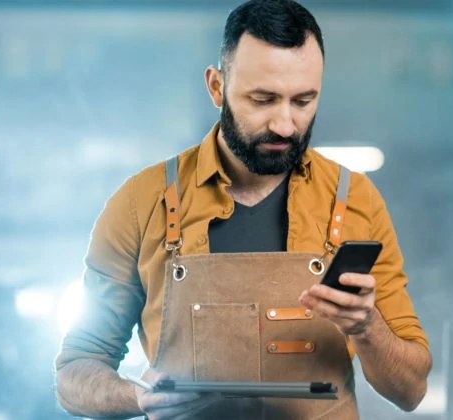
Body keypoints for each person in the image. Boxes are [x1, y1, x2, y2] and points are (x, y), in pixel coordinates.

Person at [54, 0, 431, 418]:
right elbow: (75, 373)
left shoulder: (356, 198)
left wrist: (367, 327)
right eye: (263, 99)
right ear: (217, 87)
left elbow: (411, 391)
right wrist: (137, 396)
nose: (285, 125)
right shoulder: (142, 203)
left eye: (303, 101)